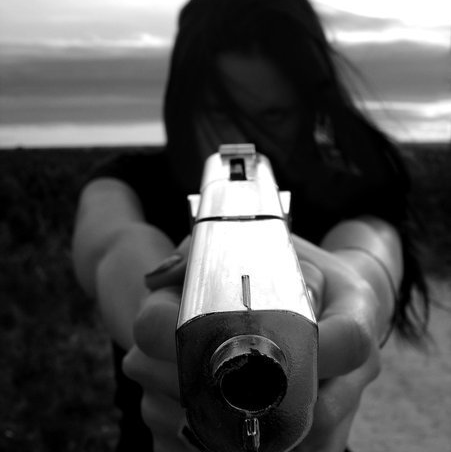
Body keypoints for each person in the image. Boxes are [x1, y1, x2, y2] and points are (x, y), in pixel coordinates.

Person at [72, 0, 430, 450]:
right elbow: (114, 249)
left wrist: (353, 304)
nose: (243, 139)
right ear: (183, 106)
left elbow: (367, 262)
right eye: (221, 112)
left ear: (309, 107)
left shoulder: (351, 195)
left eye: (274, 115)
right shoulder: (122, 185)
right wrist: (161, 323)